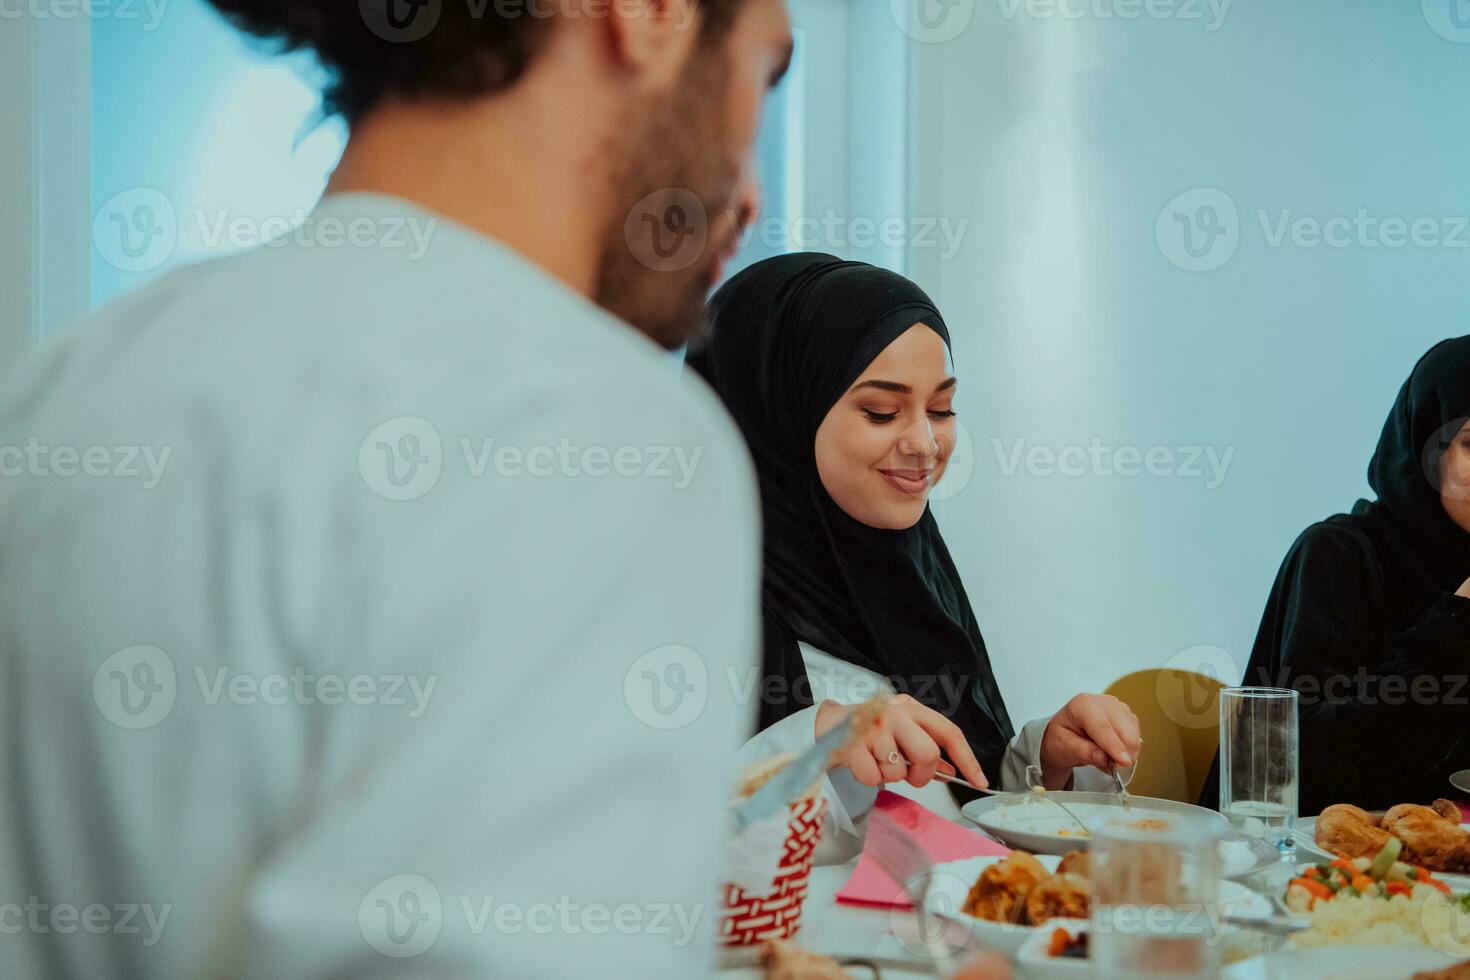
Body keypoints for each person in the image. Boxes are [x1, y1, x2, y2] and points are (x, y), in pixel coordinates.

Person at [0, 2, 795, 977]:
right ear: (647, 16)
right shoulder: (595, 431)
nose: (751, 192)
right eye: (767, 73)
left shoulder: (66, 384)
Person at [686, 254, 1142, 857]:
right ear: (780, 414)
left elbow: (947, 810)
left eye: (941, 409)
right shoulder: (681, 599)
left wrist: (1042, 764)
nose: (926, 445)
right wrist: (823, 736)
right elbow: (646, 852)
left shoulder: (909, 575)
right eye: (882, 411)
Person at [1204, 337, 1470, 816]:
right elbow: (1311, 770)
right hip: (1325, 868)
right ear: (1427, 450)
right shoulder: (1338, 555)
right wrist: (1457, 621)